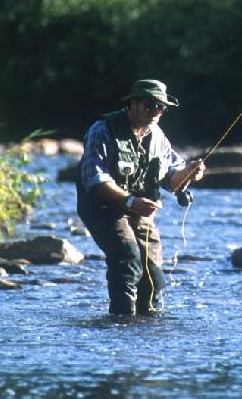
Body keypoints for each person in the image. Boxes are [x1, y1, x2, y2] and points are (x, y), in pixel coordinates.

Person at [76, 78, 205, 315]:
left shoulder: (157, 136)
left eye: (161, 107)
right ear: (132, 104)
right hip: (104, 207)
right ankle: (121, 320)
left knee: (154, 276)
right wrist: (129, 202)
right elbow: (94, 180)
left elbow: (172, 181)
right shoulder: (102, 130)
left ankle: (146, 327)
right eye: (149, 105)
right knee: (127, 258)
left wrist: (190, 173)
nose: (156, 111)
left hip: (140, 209)